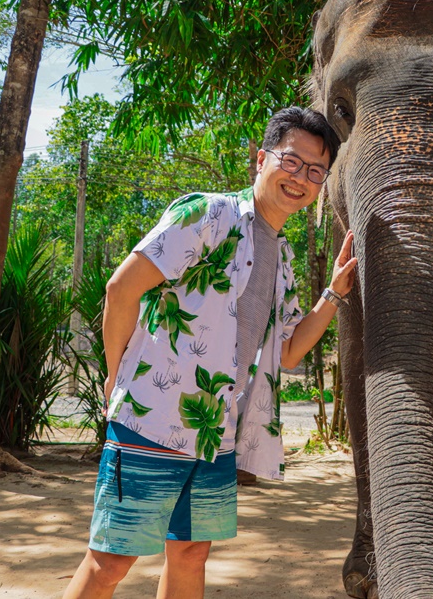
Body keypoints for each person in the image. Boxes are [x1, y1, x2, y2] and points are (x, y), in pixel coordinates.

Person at [62, 106, 356, 599]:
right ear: (260, 159)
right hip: (151, 418)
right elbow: (120, 290)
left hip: (216, 429)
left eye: (315, 171)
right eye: (290, 161)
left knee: (192, 553)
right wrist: (117, 376)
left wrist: (333, 294)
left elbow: (287, 352)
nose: (300, 178)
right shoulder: (206, 214)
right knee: (111, 561)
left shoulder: (282, 257)